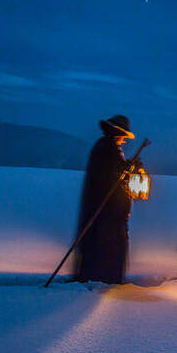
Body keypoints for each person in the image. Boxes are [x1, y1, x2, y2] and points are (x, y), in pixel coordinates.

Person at [73, 114, 139, 284]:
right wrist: (126, 168)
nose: (125, 140)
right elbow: (107, 176)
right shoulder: (106, 148)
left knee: (108, 248)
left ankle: (104, 277)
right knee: (106, 249)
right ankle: (103, 279)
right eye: (123, 136)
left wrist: (128, 166)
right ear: (117, 133)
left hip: (109, 213)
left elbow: (114, 173)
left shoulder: (108, 148)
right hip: (105, 214)